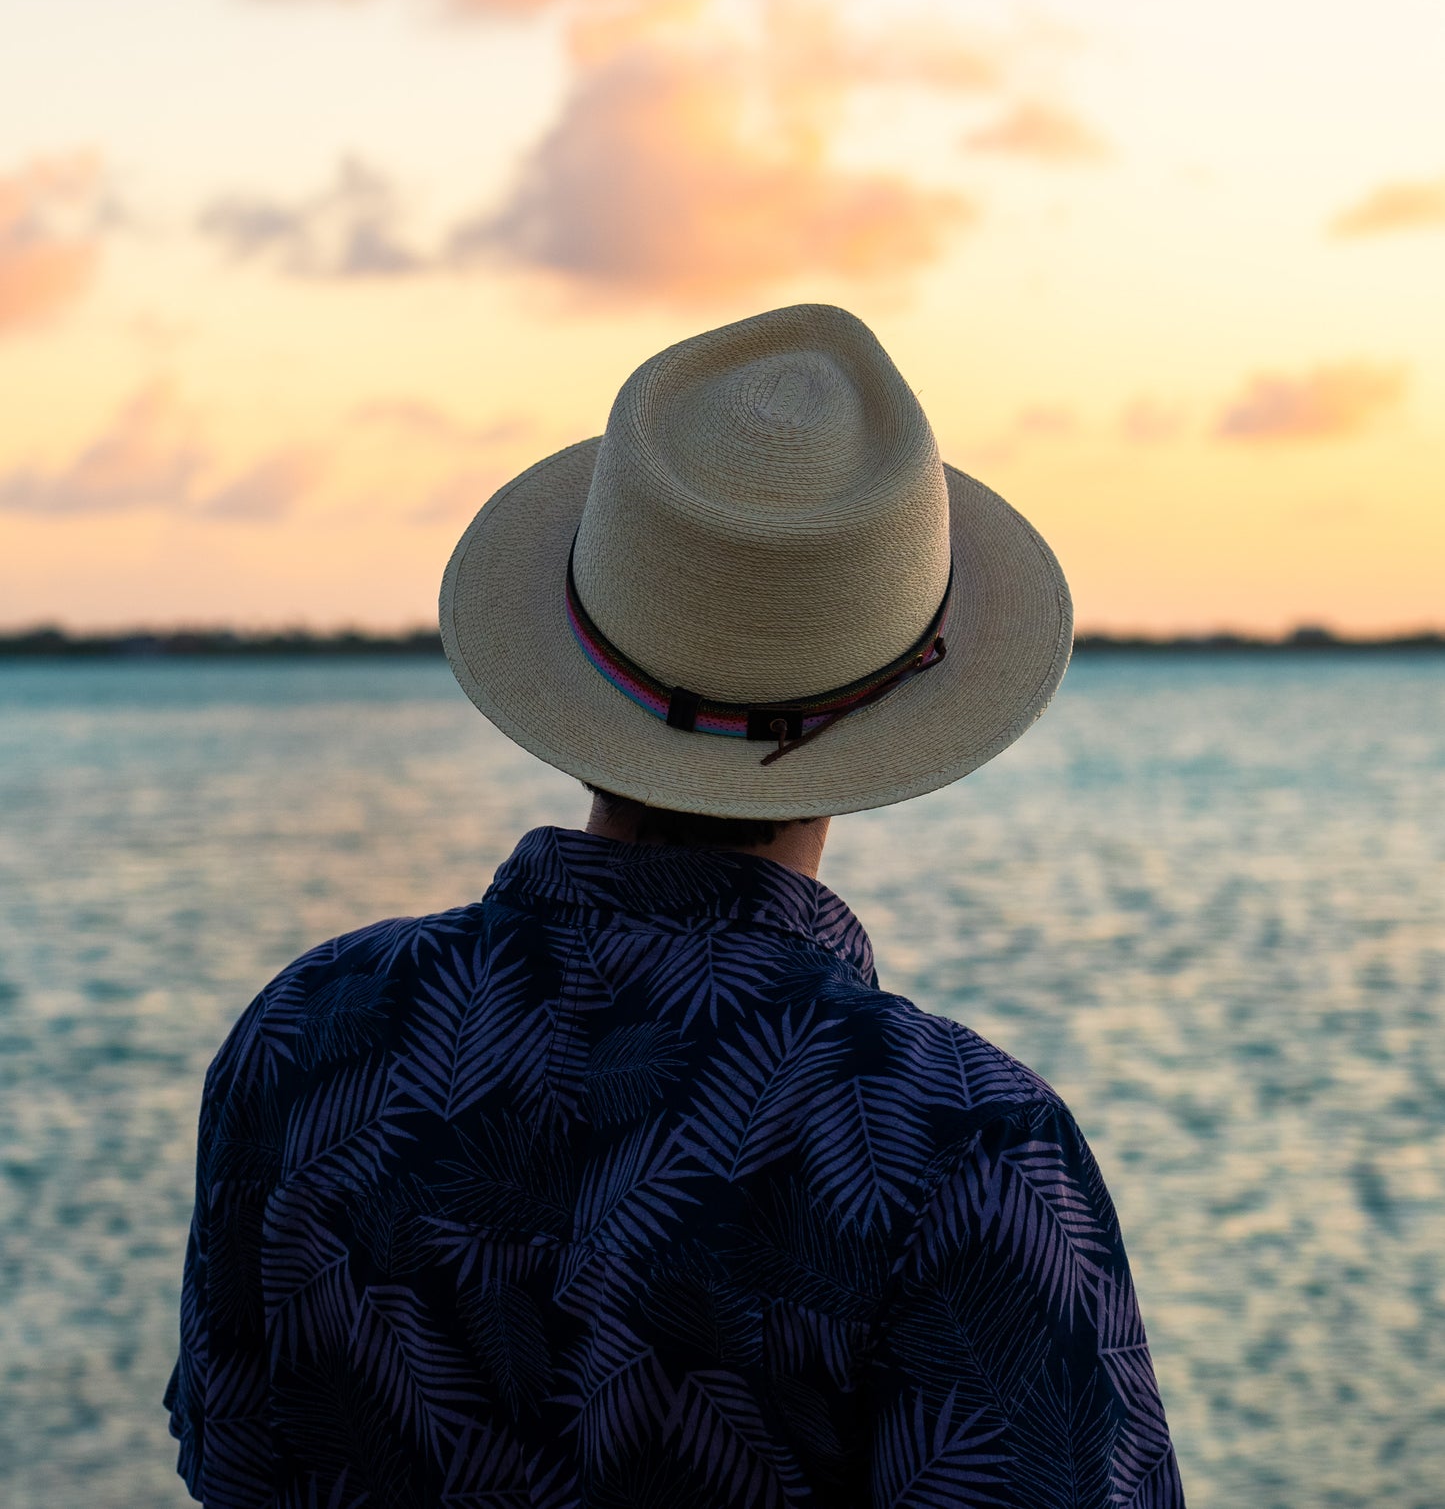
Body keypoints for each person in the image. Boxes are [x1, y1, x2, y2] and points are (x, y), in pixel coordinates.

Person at [167, 302, 1183, 1506]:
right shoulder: (954, 1141)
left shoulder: (312, 1029)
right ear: (901, 688)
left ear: (577, 643)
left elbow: (231, 1453)